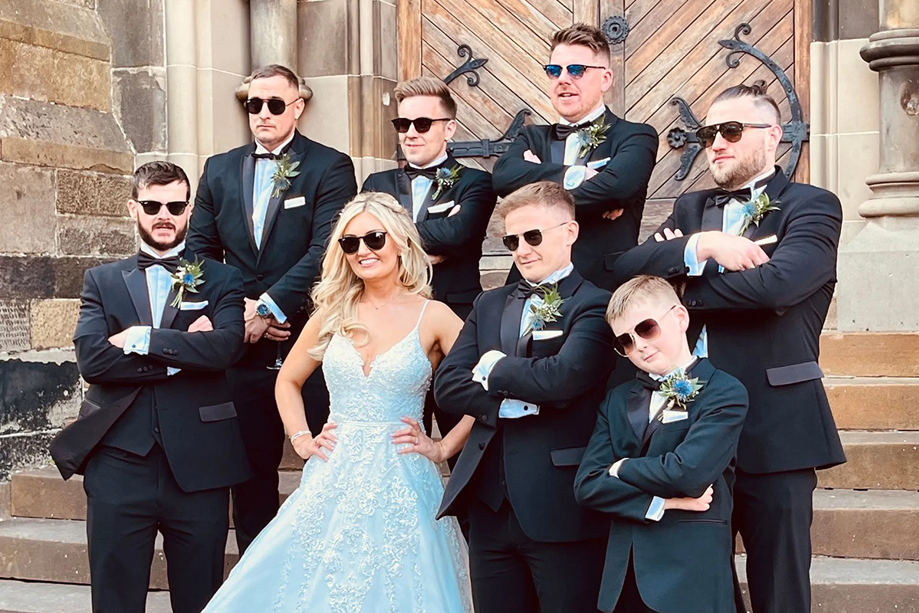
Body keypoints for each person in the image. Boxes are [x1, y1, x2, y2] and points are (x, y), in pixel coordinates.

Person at [612, 84, 846, 613]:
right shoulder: (692, 209)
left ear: (774, 136)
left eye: (730, 131)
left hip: (777, 425)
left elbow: (781, 286)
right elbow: (626, 272)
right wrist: (701, 246)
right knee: (701, 587)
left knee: (779, 589)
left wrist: (684, 287)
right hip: (688, 433)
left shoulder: (811, 205)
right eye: (707, 133)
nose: (715, 143)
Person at [201, 192, 475, 612]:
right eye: (350, 243)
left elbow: (488, 387)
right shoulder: (330, 313)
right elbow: (288, 381)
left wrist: (442, 447)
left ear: (400, 240)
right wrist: (301, 439)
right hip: (332, 473)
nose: (363, 250)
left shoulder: (434, 315)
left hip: (403, 480)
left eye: (374, 238)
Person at [50, 162, 250, 613]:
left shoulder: (222, 279)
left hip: (201, 466)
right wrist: (182, 358)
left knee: (201, 600)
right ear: (133, 208)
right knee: (115, 601)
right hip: (120, 462)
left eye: (176, 206)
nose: (165, 215)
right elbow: (94, 360)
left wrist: (144, 340)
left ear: (189, 211)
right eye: (153, 205)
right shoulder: (101, 280)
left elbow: (224, 349)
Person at [187, 64, 357, 553]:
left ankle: (326, 568)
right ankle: (255, 578)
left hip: (312, 340)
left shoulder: (331, 166)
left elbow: (326, 249)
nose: (261, 114)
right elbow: (197, 252)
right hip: (240, 344)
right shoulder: (219, 168)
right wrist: (238, 312)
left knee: (325, 461)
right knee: (250, 471)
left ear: (298, 107)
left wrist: (271, 308)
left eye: (274, 104)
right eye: (252, 105)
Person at [434, 181, 615, 613]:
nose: (521, 249)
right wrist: (507, 402)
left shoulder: (595, 304)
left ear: (569, 232)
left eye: (532, 236)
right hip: (489, 506)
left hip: (560, 502)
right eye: (511, 240)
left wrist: (494, 367)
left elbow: (565, 377)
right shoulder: (490, 303)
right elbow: (448, 384)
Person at [575, 275, 748, 613]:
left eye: (646, 328)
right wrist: (664, 503)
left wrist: (621, 467)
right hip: (624, 579)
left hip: (690, 577)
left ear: (680, 318)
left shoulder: (724, 392)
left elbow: (688, 473)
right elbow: (587, 485)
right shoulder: (617, 400)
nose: (638, 345)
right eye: (624, 341)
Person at [362, 75, 497, 439]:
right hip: (391, 326)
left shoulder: (476, 183)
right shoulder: (376, 184)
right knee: (397, 438)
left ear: (449, 128)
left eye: (422, 124)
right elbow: (362, 242)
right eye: (402, 124)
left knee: (463, 438)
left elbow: (460, 234)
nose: (410, 133)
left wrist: (390, 236)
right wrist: (427, 246)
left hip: (456, 320)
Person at [491, 23, 658, 292]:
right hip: (527, 286)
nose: (563, 79)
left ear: (605, 79)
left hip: (605, 286)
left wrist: (535, 190)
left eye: (577, 70)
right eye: (554, 71)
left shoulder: (635, 136)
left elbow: (617, 188)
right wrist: (574, 175)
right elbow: (502, 177)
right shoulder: (531, 137)